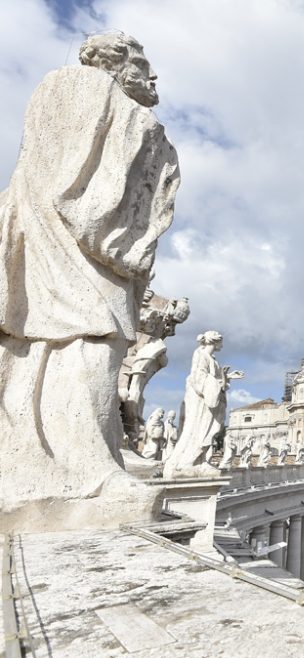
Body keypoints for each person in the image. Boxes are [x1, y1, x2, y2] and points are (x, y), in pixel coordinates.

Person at [0, 32, 178, 517]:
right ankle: (89, 469)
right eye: (143, 63)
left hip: (40, 236)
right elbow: (94, 194)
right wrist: (130, 250)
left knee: (40, 350)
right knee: (95, 342)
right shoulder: (98, 95)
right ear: (117, 64)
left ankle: (50, 459)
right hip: (82, 248)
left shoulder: (51, 92)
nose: (153, 76)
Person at [162, 331, 243, 478]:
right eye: (221, 341)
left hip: (209, 398)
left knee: (210, 430)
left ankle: (201, 459)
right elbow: (198, 377)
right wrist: (217, 382)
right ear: (215, 341)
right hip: (201, 400)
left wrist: (227, 377)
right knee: (199, 429)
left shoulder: (213, 359)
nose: (222, 345)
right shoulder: (200, 354)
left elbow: (216, 379)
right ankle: (189, 462)